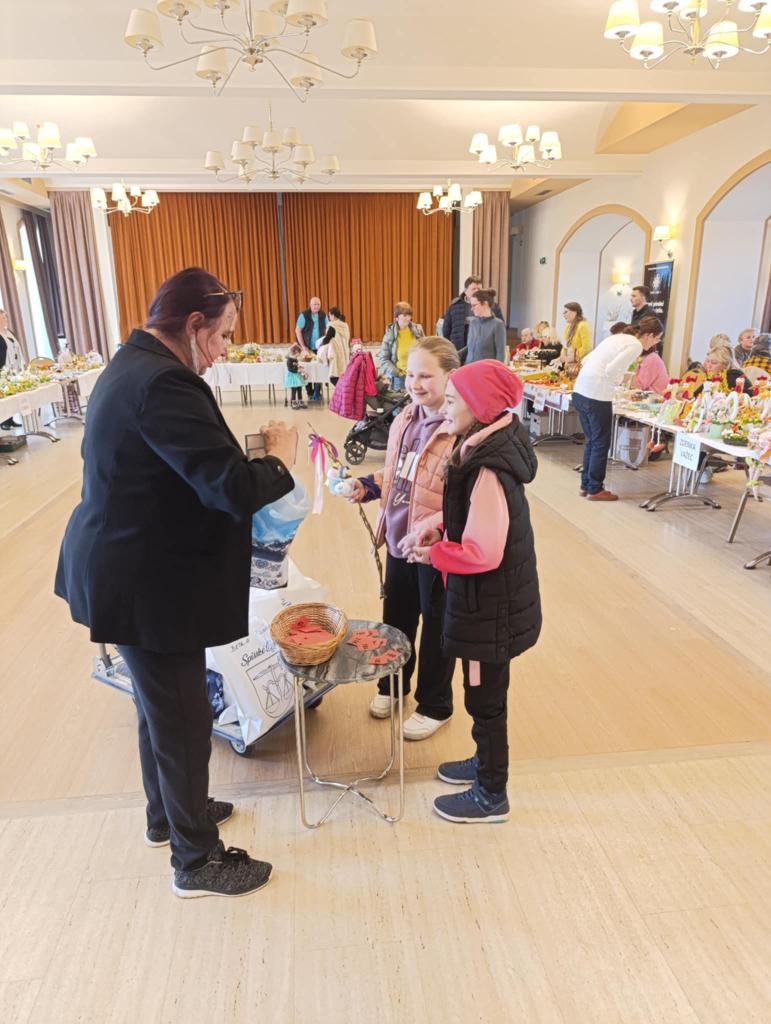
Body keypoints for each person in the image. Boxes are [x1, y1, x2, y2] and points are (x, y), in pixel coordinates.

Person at [55, 267, 299, 899]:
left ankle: (167, 815)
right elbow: (230, 488)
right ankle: (197, 861)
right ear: (192, 325)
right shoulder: (164, 382)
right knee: (185, 719)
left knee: (159, 708)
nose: (224, 351)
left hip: (131, 567)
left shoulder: (135, 363)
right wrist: (279, 460)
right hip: (143, 581)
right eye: (222, 336)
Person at [406, 360, 541, 823]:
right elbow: (471, 521)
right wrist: (440, 527)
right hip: (489, 603)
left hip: (489, 609)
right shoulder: (483, 446)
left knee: (485, 701)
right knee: (482, 695)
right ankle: (484, 762)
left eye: (451, 401)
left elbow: (482, 552)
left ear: (479, 407)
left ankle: (490, 793)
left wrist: (436, 554)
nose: (444, 409)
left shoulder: (488, 471)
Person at [349, 337, 460, 740]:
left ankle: (435, 705)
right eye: (411, 374)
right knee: (396, 619)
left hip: (432, 549)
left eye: (425, 376)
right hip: (398, 537)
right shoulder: (405, 418)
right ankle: (392, 686)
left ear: (450, 376)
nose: (415, 383)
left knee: (436, 626)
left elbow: (464, 498)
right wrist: (368, 485)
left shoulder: (458, 428)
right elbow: (400, 472)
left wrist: (436, 531)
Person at [572, 315, 664, 501]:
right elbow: (611, 370)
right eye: (657, 339)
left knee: (592, 441)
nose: (656, 343)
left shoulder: (618, 337)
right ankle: (595, 489)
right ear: (649, 335)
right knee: (600, 443)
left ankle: (586, 485)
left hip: (580, 391)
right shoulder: (635, 345)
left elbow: (586, 359)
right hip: (596, 395)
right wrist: (620, 381)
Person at [441, 275, 504, 352]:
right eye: (473, 289)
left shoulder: (493, 306)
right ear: (465, 290)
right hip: (457, 349)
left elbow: (501, 329)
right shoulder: (454, 306)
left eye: (479, 289)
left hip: (484, 351)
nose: (477, 291)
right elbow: (446, 330)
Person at [379, 301, 425, 390]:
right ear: (396, 317)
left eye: (409, 315)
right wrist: (398, 373)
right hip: (399, 379)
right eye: (405, 315)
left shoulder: (418, 331)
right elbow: (384, 359)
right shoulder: (389, 335)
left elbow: (425, 351)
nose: (408, 318)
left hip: (417, 376)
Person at [458, 289, 507, 364]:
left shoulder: (498, 325)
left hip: (486, 369)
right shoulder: (473, 323)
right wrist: (453, 354)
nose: (471, 309)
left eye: (474, 305)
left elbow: (500, 354)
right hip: (468, 367)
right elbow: (470, 347)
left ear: (485, 304)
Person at [295, 296, 327, 401]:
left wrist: (325, 343)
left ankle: (317, 392)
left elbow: (327, 329)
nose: (316, 306)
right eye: (314, 304)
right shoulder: (304, 315)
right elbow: (298, 331)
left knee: (319, 369)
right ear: (310, 305)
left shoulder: (323, 315)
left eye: (318, 304)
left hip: (319, 347)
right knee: (307, 369)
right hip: (307, 347)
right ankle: (309, 392)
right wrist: (303, 346)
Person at [0, 309, 25, 430]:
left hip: (13, 368)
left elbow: (17, 348)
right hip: (2, 369)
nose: (5, 319)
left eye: (6, 317)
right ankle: (3, 421)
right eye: (2, 318)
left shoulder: (9, 332)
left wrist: (21, 363)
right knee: (4, 396)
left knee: (12, 394)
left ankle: (11, 419)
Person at [317, 306, 350, 386]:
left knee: (334, 377)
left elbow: (327, 339)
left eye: (329, 315)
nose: (329, 318)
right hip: (345, 353)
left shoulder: (333, 326)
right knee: (342, 375)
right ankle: (342, 391)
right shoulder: (345, 325)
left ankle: (341, 391)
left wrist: (319, 345)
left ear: (332, 315)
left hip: (336, 353)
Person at [285, 343, 306, 409]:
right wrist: (297, 370)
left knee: (299, 389)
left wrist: (300, 367)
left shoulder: (295, 359)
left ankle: (300, 401)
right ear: (295, 352)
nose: (298, 356)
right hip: (292, 377)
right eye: (298, 354)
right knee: (294, 390)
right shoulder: (289, 360)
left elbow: (296, 365)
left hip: (297, 376)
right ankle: (293, 402)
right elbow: (290, 369)